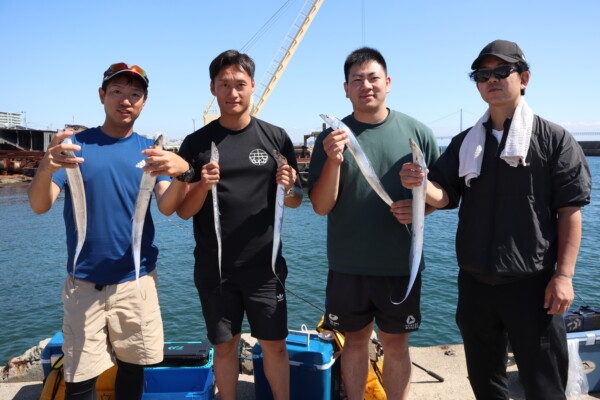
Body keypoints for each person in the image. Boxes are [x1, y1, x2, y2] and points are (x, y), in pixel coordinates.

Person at [400, 40, 592, 399]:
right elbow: (446, 195)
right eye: (483, 74)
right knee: (485, 382)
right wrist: (422, 184)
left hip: (533, 286)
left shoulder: (554, 140)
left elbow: (570, 211)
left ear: (524, 78)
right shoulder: (465, 143)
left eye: (502, 72)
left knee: (544, 384)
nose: (492, 79)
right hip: (474, 283)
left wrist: (563, 276)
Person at [28, 63, 190, 400]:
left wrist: (182, 173)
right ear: (102, 96)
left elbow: (167, 206)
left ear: (144, 102)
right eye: (117, 91)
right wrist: (47, 165)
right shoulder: (75, 147)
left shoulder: (150, 151)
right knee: (80, 378)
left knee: (134, 369)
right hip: (84, 282)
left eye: (135, 94)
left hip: (137, 281)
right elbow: (40, 204)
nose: (125, 100)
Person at [164, 50, 302, 400]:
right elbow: (183, 211)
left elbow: (296, 200)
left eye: (240, 84)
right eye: (224, 84)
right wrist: (202, 185)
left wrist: (289, 188)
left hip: (266, 269)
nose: (232, 92)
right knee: (225, 349)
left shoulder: (276, 138)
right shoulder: (196, 144)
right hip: (215, 271)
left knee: (276, 348)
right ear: (213, 88)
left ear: (253, 85)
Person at [308, 47, 439, 400]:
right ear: (346, 89)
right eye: (357, 80)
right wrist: (334, 161)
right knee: (354, 342)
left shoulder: (418, 132)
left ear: (388, 83)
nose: (366, 85)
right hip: (348, 264)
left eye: (373, 77)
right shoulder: (331, 137)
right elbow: (321, 207)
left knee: (397, 345)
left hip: (400, 264)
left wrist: (419, 210)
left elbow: (442, 196)